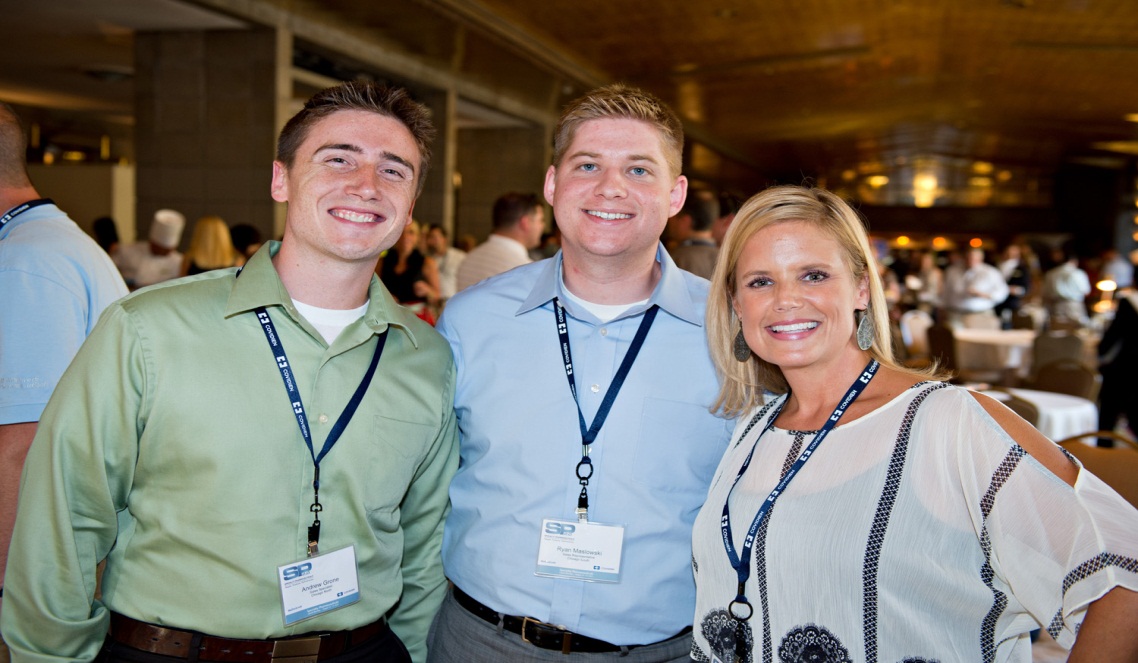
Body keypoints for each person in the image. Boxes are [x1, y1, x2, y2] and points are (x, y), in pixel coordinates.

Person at [2, 82, 458, 663]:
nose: (366, 185)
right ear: (280, 179)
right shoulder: (148, 330)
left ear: (411, 204)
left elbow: (423, 544)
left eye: (394, 171)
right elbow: (63, 521)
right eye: (338, 158)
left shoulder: (426, 358)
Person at [691, 184, 1138, 662]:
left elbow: (1124, 579)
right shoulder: (754, 429)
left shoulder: (948, 424)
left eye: (814, 275)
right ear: (737, 304)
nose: (785, 300)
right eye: (760, 282)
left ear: (862, 287)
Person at [427, 84, 734, 662]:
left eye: (639, 170)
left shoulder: (733, 335)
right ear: (552, 185)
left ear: (676, 194)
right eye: (587, 164)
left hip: (657, 652)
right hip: (480, 643)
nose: (610, 187)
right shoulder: (472, 320)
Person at [0, 102, 128, 660]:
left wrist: (9, 594)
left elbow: (19, 447)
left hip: (34, 577)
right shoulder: (53, 244)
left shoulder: (24, 263)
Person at [453, 191, 544, 292]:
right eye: (541, 220)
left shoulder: (469, 259)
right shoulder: (525, 270)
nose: (542, 226)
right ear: (525, 223)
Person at [1097, 289, 1138, 446]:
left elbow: (1114, 335)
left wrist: (1100, 354)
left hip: (1127, 366)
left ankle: (1103, 448)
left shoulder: (1130, 301)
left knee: (1109, 411)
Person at [380, 219, 442, 322]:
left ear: (417, 238)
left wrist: (427, 290)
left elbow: (437, 296)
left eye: (411, 233)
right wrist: (385, 296)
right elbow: (370, 289)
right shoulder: (382, 261)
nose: (405, 237)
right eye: (401, 232)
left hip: (416, 320)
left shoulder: (427, 262)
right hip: (389, 317)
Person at [113, 208, 186, 288]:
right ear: (152, 242)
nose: (163, 252)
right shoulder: (126, 251)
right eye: (160, 248)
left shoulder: (179, 262)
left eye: (167, 250)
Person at [942, 246, 1008, 327]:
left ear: (981, 259)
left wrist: (982, 294)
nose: (970, 261)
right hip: (955, 314)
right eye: (968, 258)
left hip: (980, 315)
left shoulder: (991, 272)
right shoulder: (952, 271)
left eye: (974, 258)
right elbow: (945, 292)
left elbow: (1002, 293)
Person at [666, 189, 720, 279]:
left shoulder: (673, 260)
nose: (669, 220)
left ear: (685, 220)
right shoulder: (728, 259)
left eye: (673, 215)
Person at [1042, 245, 1091, 328]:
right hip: (1074, 306)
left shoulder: (1051, 273)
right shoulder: (1077, 273)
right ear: (1074, 261)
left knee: (1058, 331)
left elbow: (1045, 294)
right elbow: (1086, 291)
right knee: (1077, 333)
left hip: (1056, 306)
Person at [424, 223, 465, 302]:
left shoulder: (459, 256)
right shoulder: (427, 260)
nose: (432, 241)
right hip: (435, 302)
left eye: (435, 237)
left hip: (454, 300)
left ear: (444, 238)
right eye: (430, 237)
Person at [994, 243, 1031, 326]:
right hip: (995, 304)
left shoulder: (1022, 269)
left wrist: (1013, 290)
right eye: (1008, 252)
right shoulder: (996, 266)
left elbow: (1026, 288)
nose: (1010, 254)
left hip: (1011, 303)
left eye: (1013, 252)